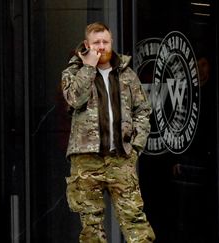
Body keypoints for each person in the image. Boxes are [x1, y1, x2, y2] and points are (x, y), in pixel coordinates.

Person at [61, 22, 155, 243]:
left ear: (111, 42)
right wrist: (89, 68)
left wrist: (136, 146)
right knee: (91, 226)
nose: (101, 47)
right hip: (86, 160)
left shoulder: (127, 74)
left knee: (135, 220)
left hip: (120, 157)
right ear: (87, 44)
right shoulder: (73, 72)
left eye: (105, 42)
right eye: (96, 42)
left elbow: (143, 110)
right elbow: (74, 99)